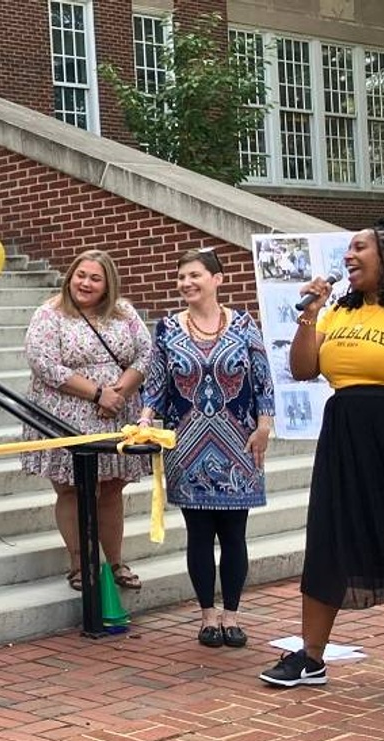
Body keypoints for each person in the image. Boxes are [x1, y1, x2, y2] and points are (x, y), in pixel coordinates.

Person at [259, 223, 384, 709]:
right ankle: (310, 657)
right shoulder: (338, 312)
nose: (348, 255)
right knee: (330, 540)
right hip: (347, 443)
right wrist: (309, 315)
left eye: (359, 247)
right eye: (347, 248)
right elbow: (306, 369)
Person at [140, 249, 274, 648]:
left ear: (217, 279)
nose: (186, 283)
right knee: (198, 534)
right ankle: (207, 616)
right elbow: (156, 383)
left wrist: (264, 425)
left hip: (239, 442)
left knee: (235, 533)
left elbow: (264, 381)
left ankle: (232, 614)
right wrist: (146, 418)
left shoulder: (245, 324)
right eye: (181, 277)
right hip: (188, 443)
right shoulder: (166, 328)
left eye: (195, 275)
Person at [20, 249, 152, 594]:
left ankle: (115, 561)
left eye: (95, 278)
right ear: (70, 277)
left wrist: (118, 393)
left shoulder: (124, 312)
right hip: (65, 416)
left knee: (110, 488)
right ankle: (80, 564)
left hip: (116, 414)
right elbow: (44, 363)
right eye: (81, 275)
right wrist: (97, 393)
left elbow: (146, 352)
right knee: (73, 488)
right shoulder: (50, 313)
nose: (86, 283)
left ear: (108, 283)